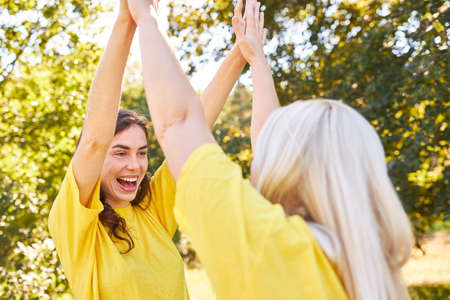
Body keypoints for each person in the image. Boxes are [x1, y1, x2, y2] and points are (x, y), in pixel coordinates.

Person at [127, 0, 413, 299]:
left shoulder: (271, 247)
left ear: (289, 169)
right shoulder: (372, 268)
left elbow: (180, 123)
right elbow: (268, 147)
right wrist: (257, 61)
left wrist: (147, 18)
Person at [47, 0, 250, 298]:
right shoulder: (76, 222)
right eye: (120, 152)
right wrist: (126, 22)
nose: (135, 165)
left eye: (141, 152)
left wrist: (240, 53)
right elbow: (94, 141)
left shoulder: (151, 209)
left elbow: (193, 126)